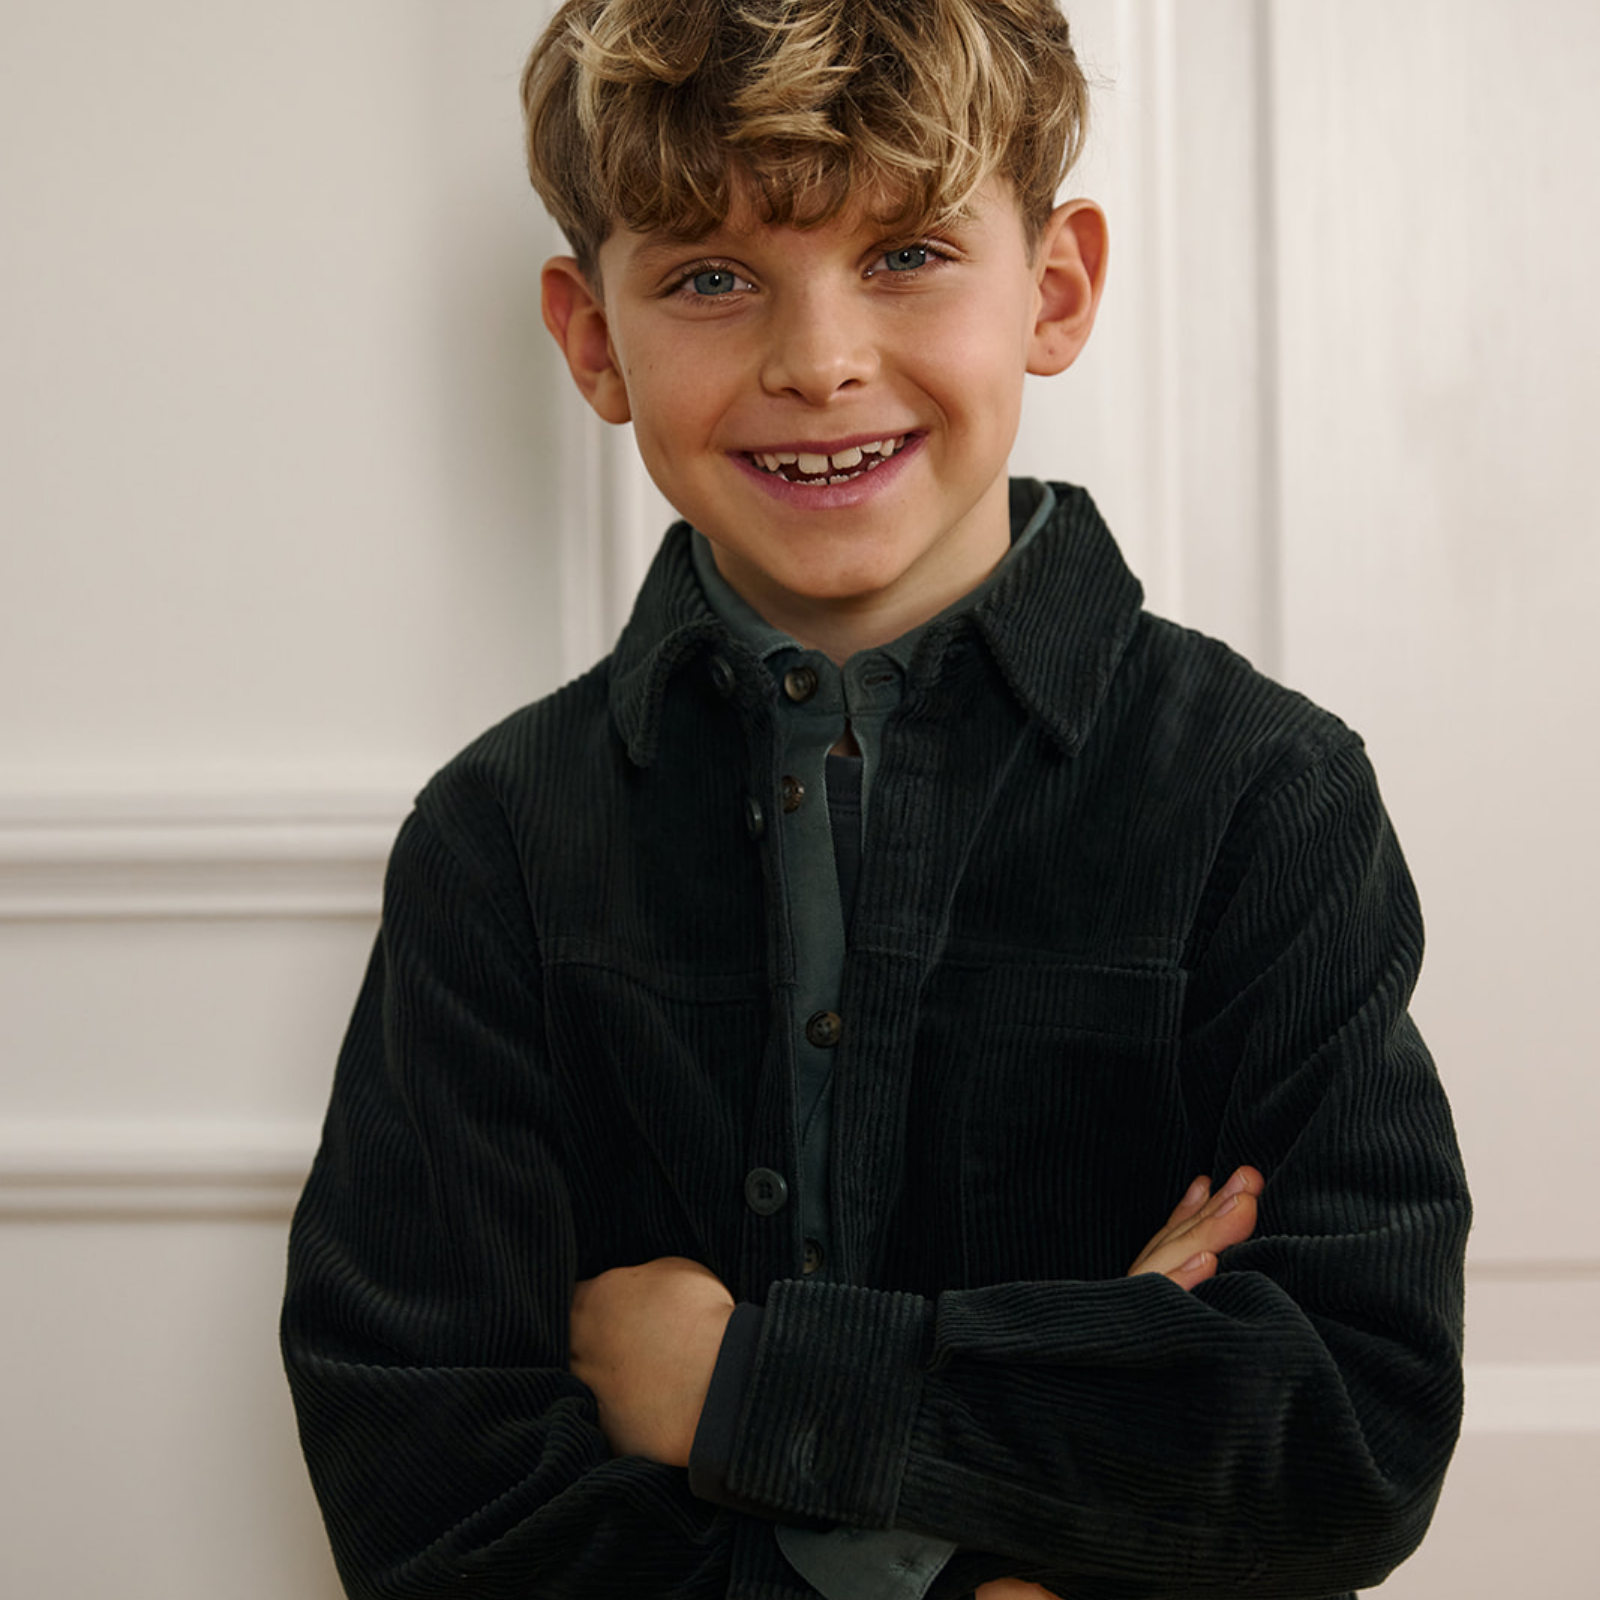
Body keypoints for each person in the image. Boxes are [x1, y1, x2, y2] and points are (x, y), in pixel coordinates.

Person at [281, 3, 1470, 1597]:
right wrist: (1056, 1456)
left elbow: (1346, 1428)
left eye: (908, 254)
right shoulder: (496, 840)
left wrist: (742, 1385)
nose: (820, 360)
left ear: (1055, 290)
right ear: (593, 340)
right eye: (712, 278)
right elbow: (436, 1498)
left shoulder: (1264, 794)